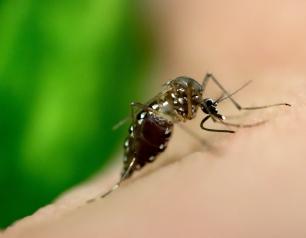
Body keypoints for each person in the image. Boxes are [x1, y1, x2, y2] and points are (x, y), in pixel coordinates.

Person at [3, 1, 306, 237]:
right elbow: (146, 105)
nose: (207, 109)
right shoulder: (180, 97)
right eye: (208, 108)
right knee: (149, 114)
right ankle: (123, 174)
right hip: (139, 128)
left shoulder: (195, 94)